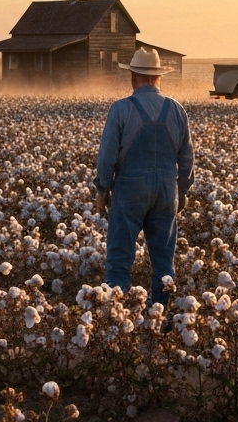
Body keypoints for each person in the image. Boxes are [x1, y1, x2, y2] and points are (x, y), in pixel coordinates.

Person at [94, 47, 194, 304]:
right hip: (166, 191)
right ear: (158, 77)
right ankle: (160, 314)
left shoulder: (121, 109)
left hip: (130, 190)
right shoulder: (177, 110)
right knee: (163, 260)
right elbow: (186, 158)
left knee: (119, 256)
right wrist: (182, 190)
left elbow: (107, 156)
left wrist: (102, 189)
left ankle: (116, 314)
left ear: (133, 77)